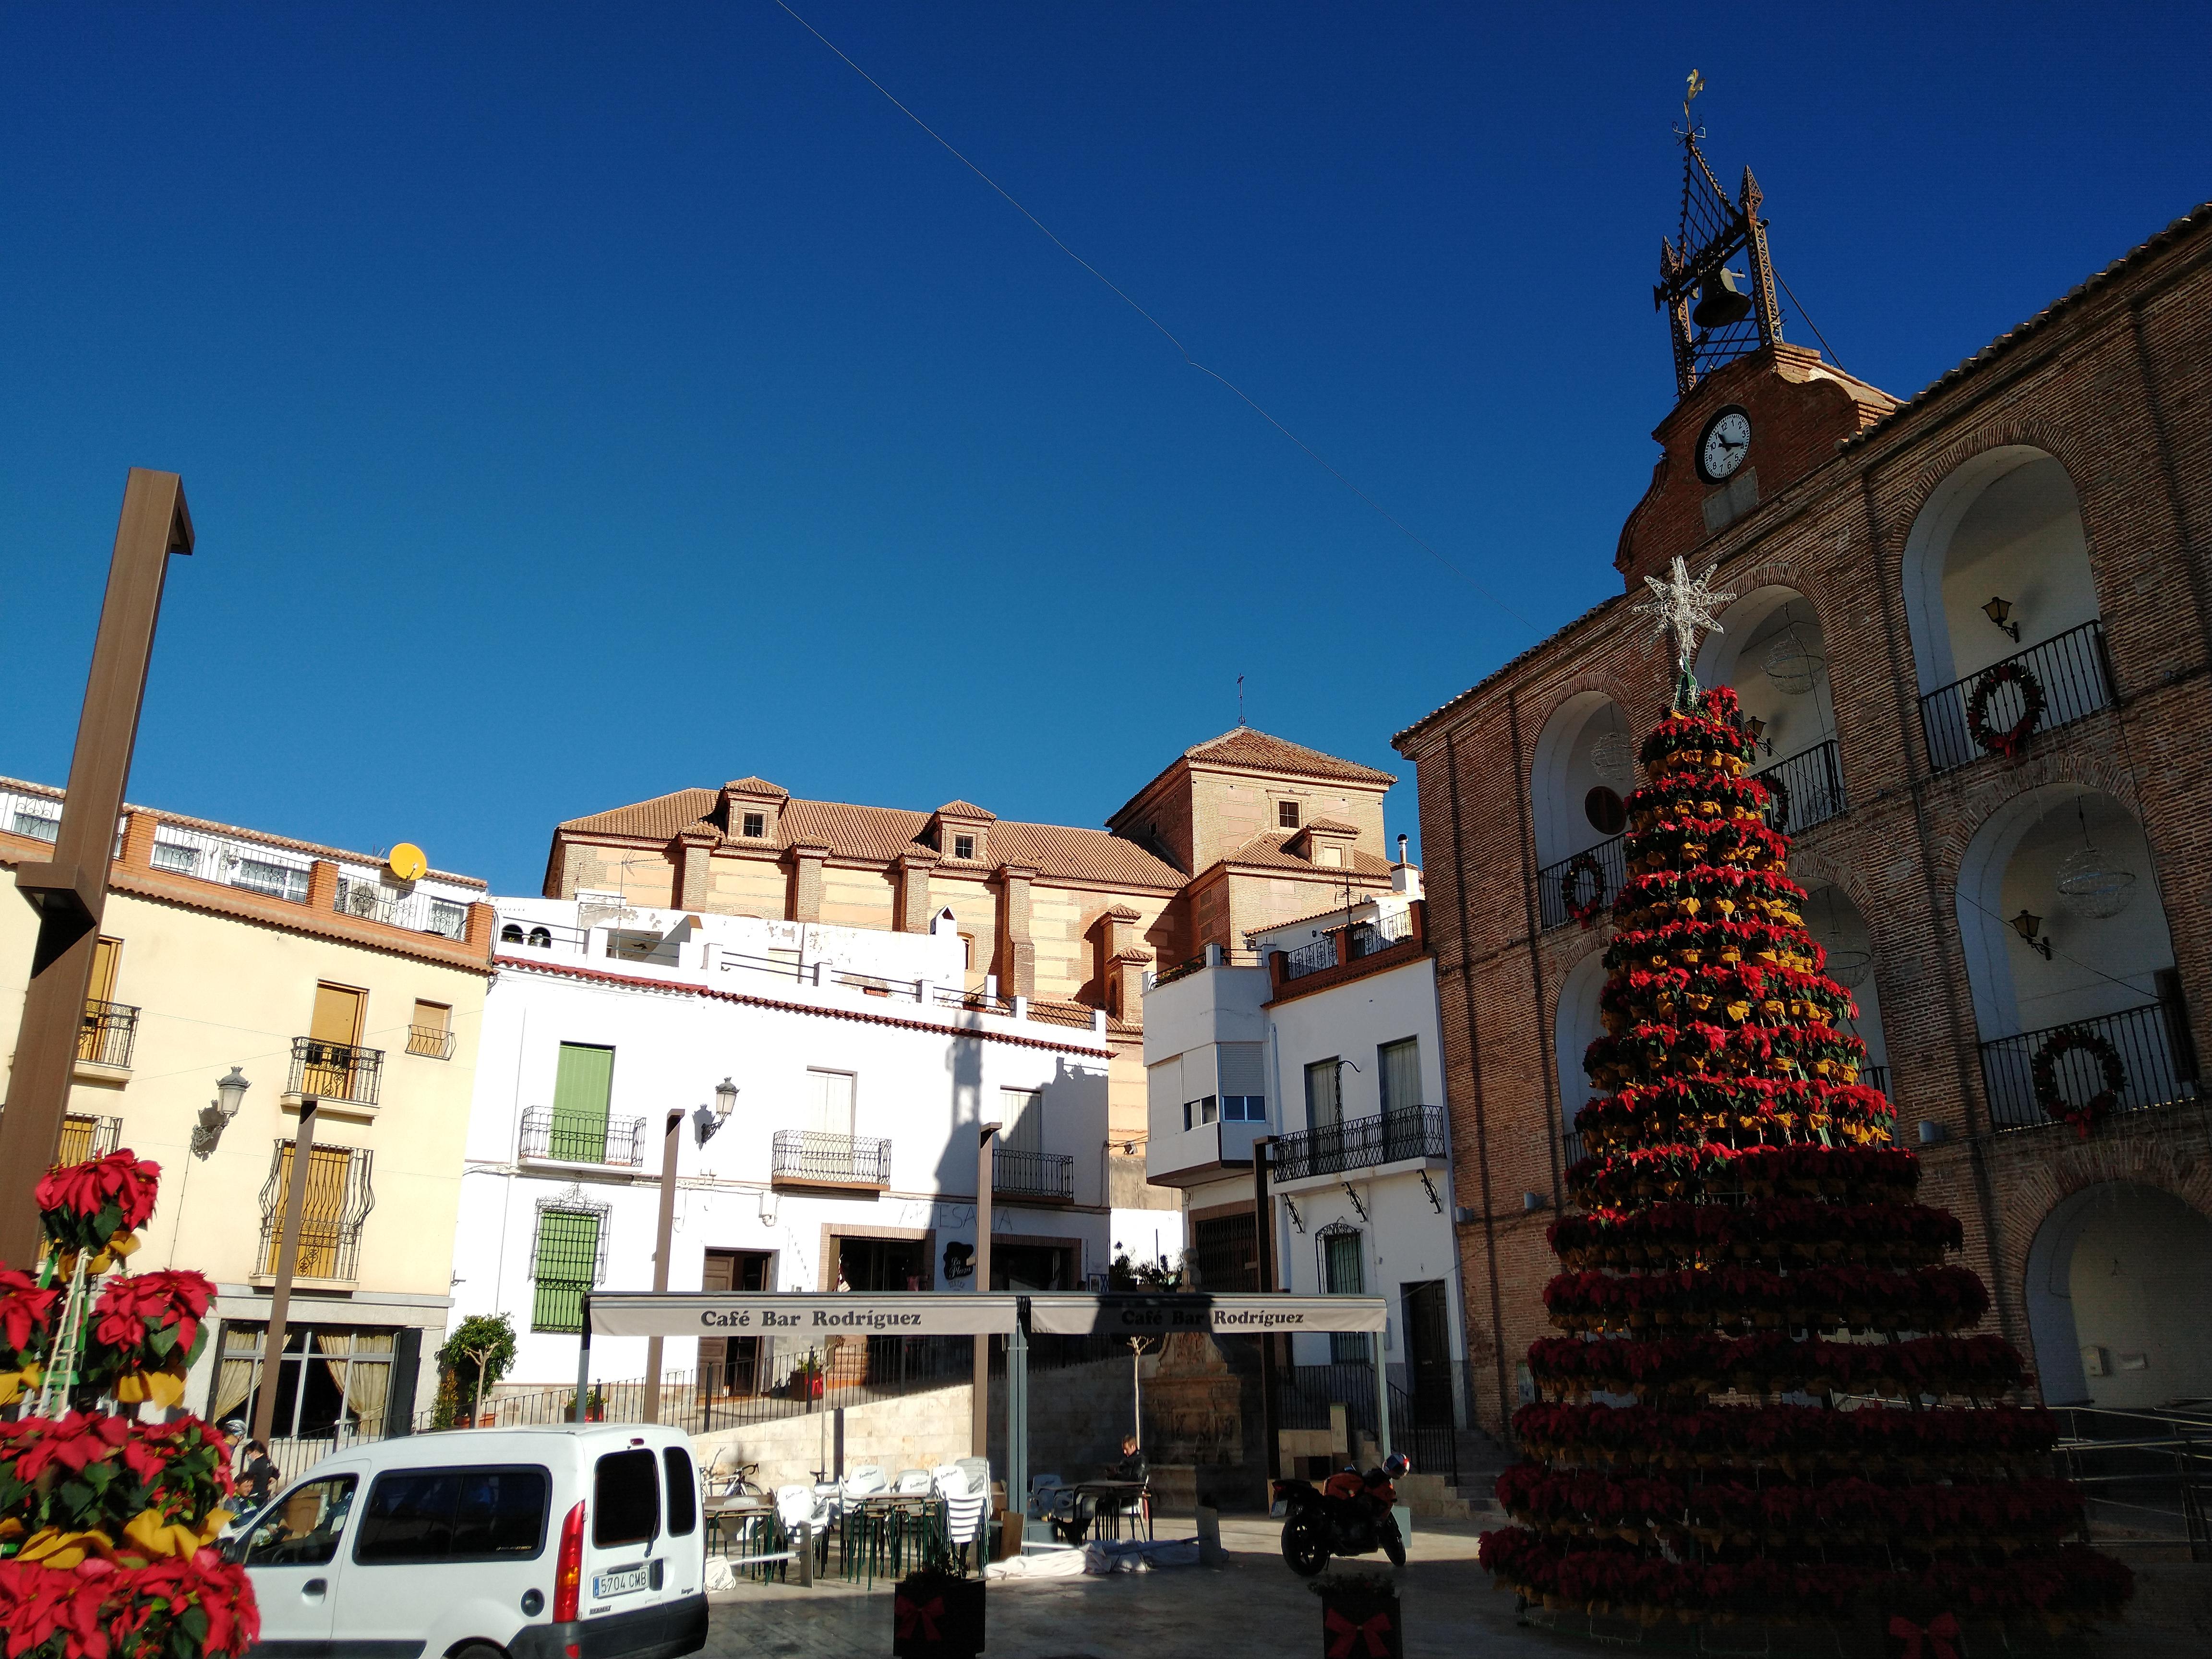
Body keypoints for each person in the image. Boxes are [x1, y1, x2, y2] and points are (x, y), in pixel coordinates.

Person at [238, 1439, 279, 1512]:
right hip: (263, 1495)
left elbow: (245, 1480)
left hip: (254, 1497)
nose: (249, 1457)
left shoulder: (256, 1465)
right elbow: (277, 1472)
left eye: (249, 1454)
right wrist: (273, 1478)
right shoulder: (268, 1461)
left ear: (255, 1452)